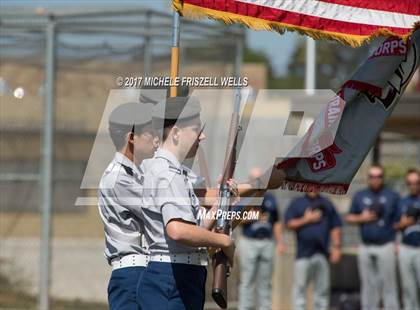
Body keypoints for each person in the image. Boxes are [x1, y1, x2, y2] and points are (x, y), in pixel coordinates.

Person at [138, 96, 237, 310]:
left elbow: (194, 229)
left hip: (179, 274)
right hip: (171, 278)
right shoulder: (168, 174)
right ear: (175, 133)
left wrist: (222, 203)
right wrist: (223, 241)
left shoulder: (175, 173)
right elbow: (178, 231)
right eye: (195, 129)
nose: (202, 136)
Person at [97, 102, 158, 309]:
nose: (156, 139)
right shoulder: (118, 179)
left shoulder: (137, 173)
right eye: (150, 133)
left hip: (142, 272)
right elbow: (159, 212)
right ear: (131, 137)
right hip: (132, 275)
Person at [346, 164, 400, 310]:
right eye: (372, 176)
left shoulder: (392, 196)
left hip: (386, 246)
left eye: (378, 176)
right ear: (367, 178)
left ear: (383, 178)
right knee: (368, 286)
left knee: (389, 285)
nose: (375, 179)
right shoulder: (360, 195)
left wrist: (397, 242)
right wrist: (362, 218)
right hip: (366, 246)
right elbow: (349, 218)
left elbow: (399, 222)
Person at [236, 167, 285, 310]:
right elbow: (236, 220)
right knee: (247, 281)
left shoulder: (270, 198)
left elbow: (276, 222)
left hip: (267, 242)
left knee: (266, 282)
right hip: (249, 242)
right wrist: (253, 216)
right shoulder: (245, 196)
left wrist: (280, 242)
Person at [285, 190, 342, 310]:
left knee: (322, 290)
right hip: (303, 254)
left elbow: (335, 226)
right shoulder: (297, 203)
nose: (312, 187)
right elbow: (288, 224)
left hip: (322, 253)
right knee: (300, 288)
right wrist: (306, 219)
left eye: (315, 184)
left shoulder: (326, 203)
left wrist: (336, 247)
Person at [395, 168, 420, 310]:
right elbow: (394, 225)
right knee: (408, 288)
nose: (413, 185)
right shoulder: (402, 202)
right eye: (410, 183)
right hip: (406, 248)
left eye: (417, 182)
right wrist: (403, 223)